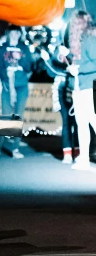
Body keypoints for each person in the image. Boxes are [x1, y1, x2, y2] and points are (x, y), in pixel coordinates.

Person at [0, 25, 33, 158]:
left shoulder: (24, 48)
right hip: (7, 86)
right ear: (8, 33)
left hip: (21, 87)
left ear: (19, 34)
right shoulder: (2, 48)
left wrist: (20, 58)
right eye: (12, 32)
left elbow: (29, 67)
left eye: (17, 32)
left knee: (18, 117)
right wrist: (5, 75)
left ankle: (15, 149)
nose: (15, 34)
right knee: (5, 116)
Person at [67, 10, 96, 171]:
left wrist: (79, 69)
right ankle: (83, 158)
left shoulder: (90, 40)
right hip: (79, 88)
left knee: (93, 122)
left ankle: (84, 158)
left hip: (90, 87)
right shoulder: (78, 41)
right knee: (82, 124)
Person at [41, 45, 78, 164]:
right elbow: (52, 72)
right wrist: (47, 59)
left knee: (78, 121)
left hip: (76, 87)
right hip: (61, 89)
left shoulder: (76, 49)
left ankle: (78, 153)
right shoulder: (58, 50)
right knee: (66, 121)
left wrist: (69, 56)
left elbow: (75, 68)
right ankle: (67, 154)